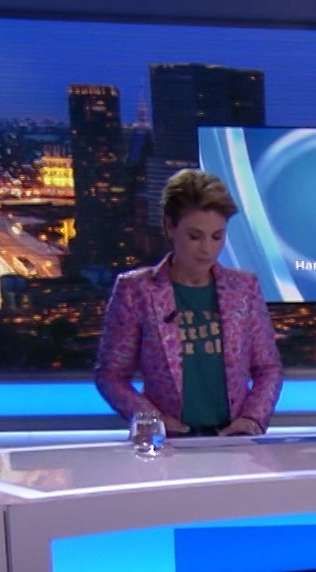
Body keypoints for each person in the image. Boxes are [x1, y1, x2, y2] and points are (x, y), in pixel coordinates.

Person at [96, 168, 283, 437]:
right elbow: (111, 375)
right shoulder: (136, 290)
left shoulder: (244, 288)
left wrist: (252, 419)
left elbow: (268, 368)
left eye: (217, 236)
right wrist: (152, 420)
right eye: (195, 237)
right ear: (170, 227)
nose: (207, 249)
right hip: (168, 442)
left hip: (234, 440)